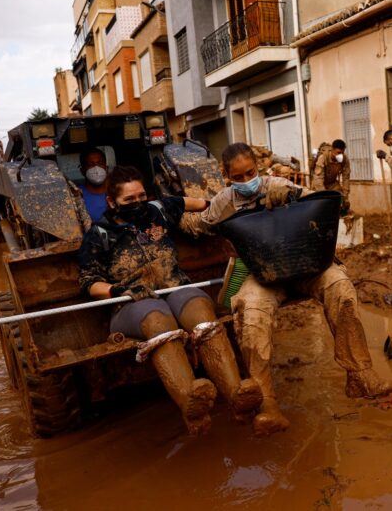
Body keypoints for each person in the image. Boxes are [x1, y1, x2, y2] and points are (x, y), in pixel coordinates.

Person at [180, 143, 392, 437]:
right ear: (225, 175)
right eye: (238, 177)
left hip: (306, 263)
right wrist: (171, 213)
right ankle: (267, 404)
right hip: (264, 274)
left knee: (340, 286)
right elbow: (200, 225)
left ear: (259, 168)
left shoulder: (277, 184)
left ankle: (360, 373)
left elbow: (327, 206)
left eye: (251, 173)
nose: (246, 181)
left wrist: (293, 198)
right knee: (250, 311)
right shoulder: (223, 202)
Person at [78, 166, 263, 435]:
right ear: (111, 202)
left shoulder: (159, 209)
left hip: (176, 288)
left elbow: (201, 204)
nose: (138, 203)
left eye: (141, 196)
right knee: (158, 319)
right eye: (129, 200)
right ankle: (191, 404)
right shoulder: (99, 234)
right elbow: (88, 282)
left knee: (201, 310)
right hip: (132, 303)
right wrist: (117, 291)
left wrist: (233, 211)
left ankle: (236, 396)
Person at [312, 139, 351, 211]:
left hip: (332, 184)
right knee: (321, 206)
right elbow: (318, 180)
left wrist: (345, 197)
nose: (341, 155)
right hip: (319, 185)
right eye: (338, 152)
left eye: (342, 153)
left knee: (341, 201)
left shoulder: (344, 159)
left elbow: (346, 178)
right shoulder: (323, 158)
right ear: (332, 150)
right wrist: (325, 196)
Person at [79, 147, 108, 222]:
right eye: (90, 164)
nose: (96, 168)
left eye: (100, 163)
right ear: (82, 171)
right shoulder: (76, 195)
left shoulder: (117, 191)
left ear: (106, 168)